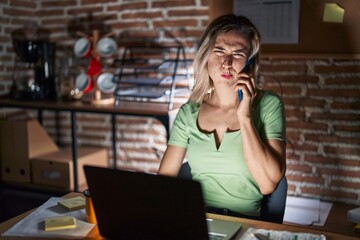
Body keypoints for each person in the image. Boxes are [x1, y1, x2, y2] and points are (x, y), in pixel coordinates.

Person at [158, 14, 286, 219]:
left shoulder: (269, 105)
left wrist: (244, 116)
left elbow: (267, 184)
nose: (226, 63)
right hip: (195, 219)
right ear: (206, 56)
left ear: (249, 63)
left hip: (244, 222)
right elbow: (164, 180)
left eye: (238, 54)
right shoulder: (189, 112)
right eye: (219, 51)